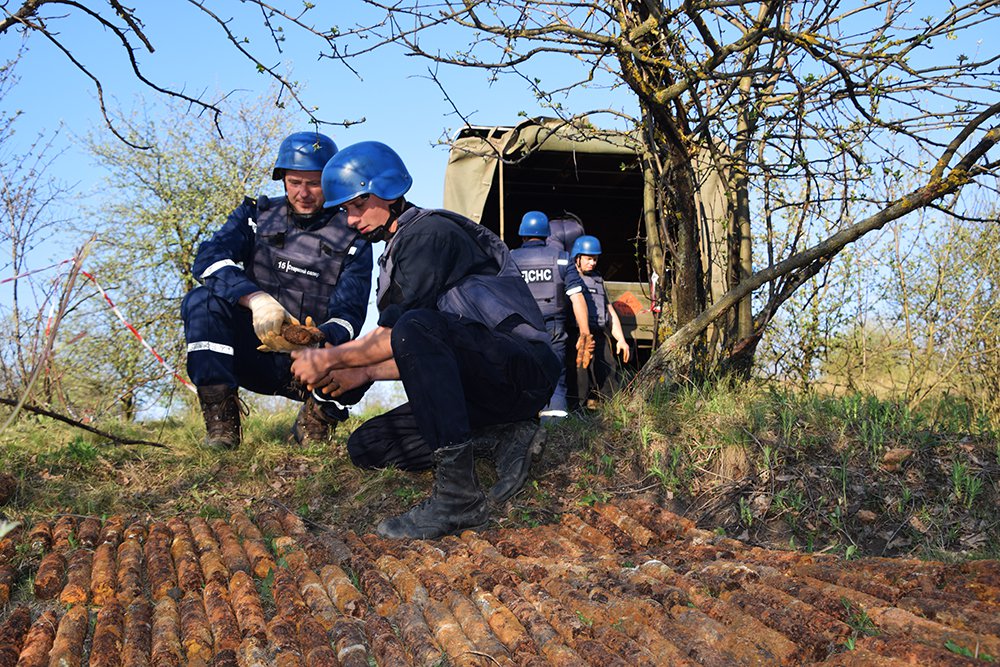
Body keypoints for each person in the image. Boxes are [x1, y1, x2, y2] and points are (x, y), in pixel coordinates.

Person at [290, 141, 560, 540]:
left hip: (522, 370)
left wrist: (328, 360)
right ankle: (502, 437)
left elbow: (403, 333)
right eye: (346, 210)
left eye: (357, 205)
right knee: (369, 445)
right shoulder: (399, 249)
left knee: (413, 324)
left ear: (387, 191)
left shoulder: (428, 235)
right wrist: (365, 373)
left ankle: (458, 498)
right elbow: (425, 349)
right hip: (480, 382)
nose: (351, 219)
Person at [181, 131, 373, 450]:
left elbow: (349, 317)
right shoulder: (256, 216)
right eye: (294, 182)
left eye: (314, 183)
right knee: (201, 301)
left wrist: (317, 338)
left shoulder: (355, 235)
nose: (303, 193)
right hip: (251, 353)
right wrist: (256, 300)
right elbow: (208, 260)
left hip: (310, 363)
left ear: (330, 183)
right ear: (282, 178)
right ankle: (221, 427)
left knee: (370, 351)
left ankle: (315, 421)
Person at [510, 210, 594, 424]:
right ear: (547, 235)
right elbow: (577, 297)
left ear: (522, 234)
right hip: (553, 328)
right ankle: (554, 431)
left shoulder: (510, 259)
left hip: (520, 329)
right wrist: (585, 333)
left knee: (522, 378)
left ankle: (522, 426)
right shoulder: (562, 259)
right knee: (555, 378)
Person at [571, 235, 631, 408]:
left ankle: (614, 410)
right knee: (579, 376)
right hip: (578, 335)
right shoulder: (570, 278)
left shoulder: (598, 280)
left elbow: (609, 311)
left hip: (599, 333)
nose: (593, 263)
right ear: (577, 258)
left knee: (608, 372)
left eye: (595, 259)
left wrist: (621, 339)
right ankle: (575, 413)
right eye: (589, 259)